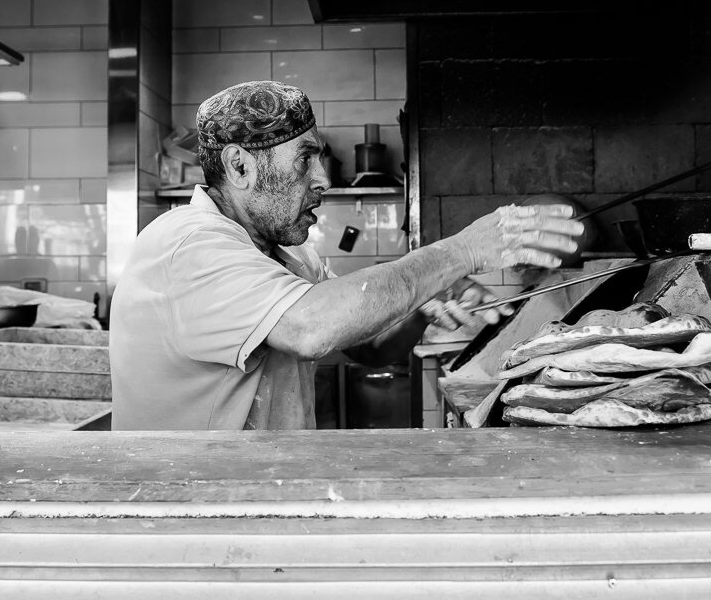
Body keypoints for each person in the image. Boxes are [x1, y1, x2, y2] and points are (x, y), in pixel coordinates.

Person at [109, 80, 583, 430]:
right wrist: (464, 250)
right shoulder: (191, 244)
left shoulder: (287, 256)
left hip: (254, 495)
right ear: (239, 166)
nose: (322, 179)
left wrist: (420, 310)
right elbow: (312, 328)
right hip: (188, 512)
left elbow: (364, 346)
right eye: (304, 159)